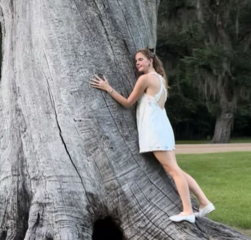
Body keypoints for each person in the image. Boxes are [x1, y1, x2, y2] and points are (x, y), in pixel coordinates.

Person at [90, 49, 215, 224]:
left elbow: (127, 103)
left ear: (150, 60)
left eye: (140, 59)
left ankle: (188, 210)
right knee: (175, 169)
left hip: (155, 130)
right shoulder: (160, 79)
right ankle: (204, 202)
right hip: (162, 128)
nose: (137, 63)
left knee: (173, 171)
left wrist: (107, 88)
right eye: (136, 61)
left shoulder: (146, 79)